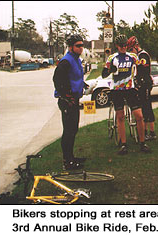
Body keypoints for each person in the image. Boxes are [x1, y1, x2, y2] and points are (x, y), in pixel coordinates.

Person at [102, 34, 151, 155]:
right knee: (120, 117)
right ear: (117, 46)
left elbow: (142, 66)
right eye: (121, 46)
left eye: (125, 45)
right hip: (117, 90)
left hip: (130, 89)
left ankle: (142, 143)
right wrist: (110, 70)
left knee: (139, 116)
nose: (123, 47)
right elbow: (104, 74)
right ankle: (123, 144)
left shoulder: (132, 56)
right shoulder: (112, 58)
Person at [53, 34, 88, 170]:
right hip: (67, 101)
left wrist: (82, 84)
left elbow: (74, 77)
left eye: (82, 45)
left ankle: (71, 157)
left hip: (74, 99)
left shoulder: (76, 60)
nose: (81, 48)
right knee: (68, 131)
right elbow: (57, 80)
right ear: (71, 47)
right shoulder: (66, 61)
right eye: (78, 46)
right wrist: (66, 95)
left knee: (73, 129)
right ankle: (67, 161)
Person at [127, 36, 157, 141]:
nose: (131, 52)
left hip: (146, 84)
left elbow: (142, 70)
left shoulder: (143, 55)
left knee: (147, 107)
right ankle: (143, 132)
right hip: (140, 84)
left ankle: (152, 132)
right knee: (142, 108)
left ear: (136, 46)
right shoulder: (138, 55)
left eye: (131, 49)